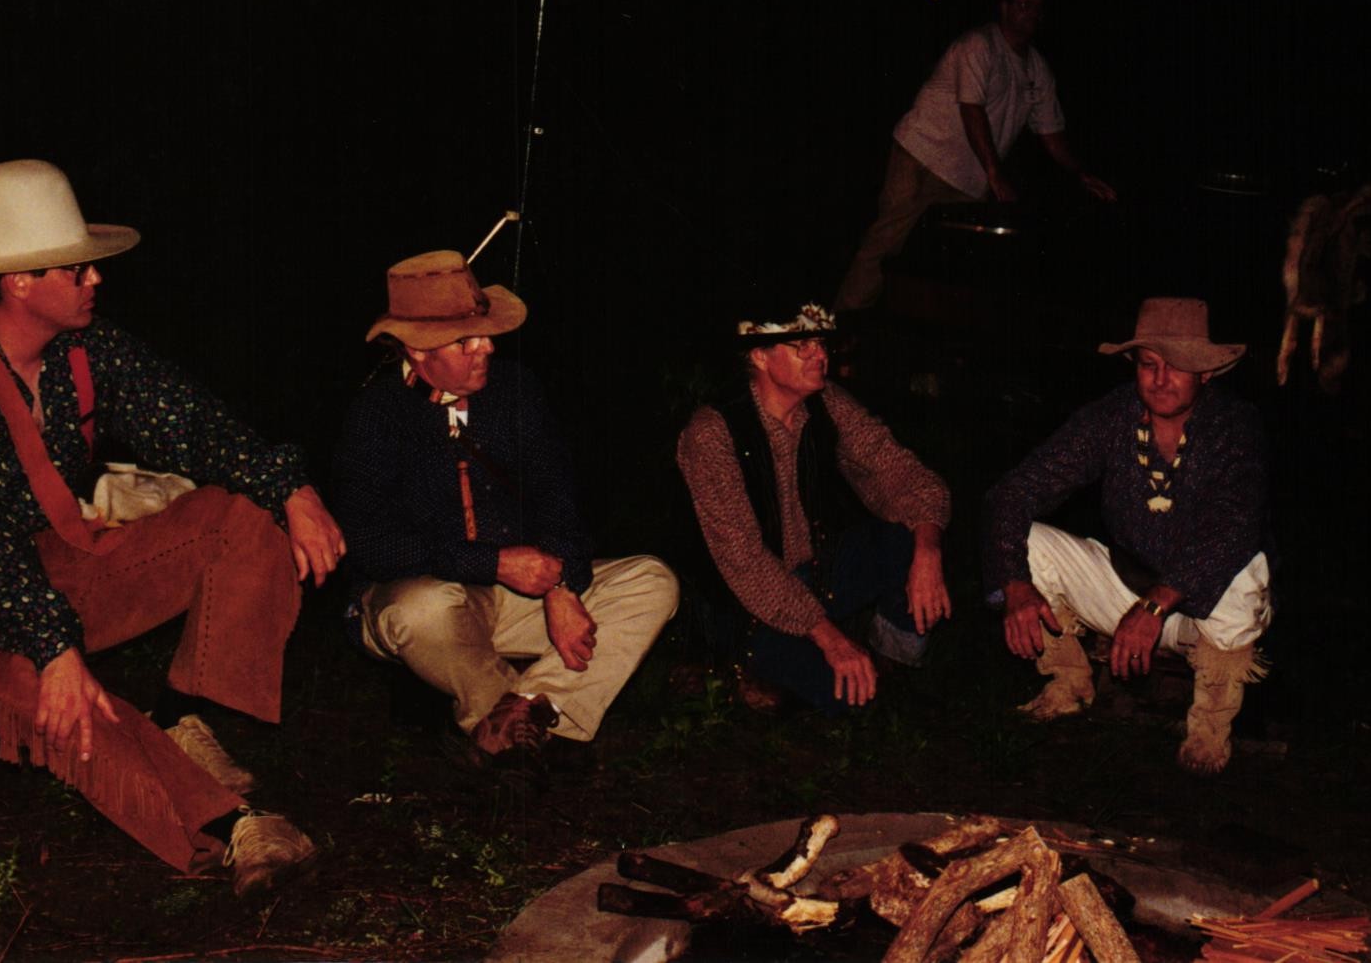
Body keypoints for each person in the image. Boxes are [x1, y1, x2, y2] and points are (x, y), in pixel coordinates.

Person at [0, 159, 341, 895]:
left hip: (51, 566)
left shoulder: (88, 351)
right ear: (19, 282)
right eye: (76, 269)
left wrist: (293, 488)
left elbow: (192, 422)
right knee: (72, 703)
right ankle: (229, 827)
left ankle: (185, 718)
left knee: (242, 514)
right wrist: (54, 651)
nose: (95, 279)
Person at [335, 251, 678, 770]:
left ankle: (514, 718)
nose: (487, 348)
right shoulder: (374, 415)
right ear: (417, 349)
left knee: (652, 581)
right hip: (425, 608)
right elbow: (369, 545)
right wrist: (492, 563)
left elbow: (556, 494)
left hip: (514, 599)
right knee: (421, 607)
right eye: (466, 341)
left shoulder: (516, 389)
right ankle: (522, 728)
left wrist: (561, 585)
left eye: (486, 335)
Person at [985, 297, 1272, 774]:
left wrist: (1155, 606)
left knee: (1245, 573)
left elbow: (1233, 527)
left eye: (1177, 366)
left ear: (1205, 373)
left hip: (1201, 609)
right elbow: (1014, 492)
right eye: (1148, 364)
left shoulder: (1235, 426)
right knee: (1025, 544)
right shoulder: (1111, 418)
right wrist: (1014, 586)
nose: (1160, 379)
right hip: (1125, 588)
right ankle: (1068, 683)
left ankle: (1207, 731)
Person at [675, 301, 952, 712]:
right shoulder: (712, 433)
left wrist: (927, 548)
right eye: (802, 345)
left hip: (818, 575)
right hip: (745, 607)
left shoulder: (827, 404)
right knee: (842, 697)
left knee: (913, 538)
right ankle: (731, 669)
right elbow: (745, 563)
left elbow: (908, 477)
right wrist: (831, 639)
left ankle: (892, 664)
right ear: (760, 356)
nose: (820, 354)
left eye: (821, 342)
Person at [834, 0, 1117, 312]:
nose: (1032, 14)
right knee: (887, 242)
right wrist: (995, 173)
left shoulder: (1037, 70)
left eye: (1038, 8)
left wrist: (1079, 173)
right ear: (1005, 7)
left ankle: (914, 330)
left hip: (967, 177)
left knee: (948, 260)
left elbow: (1050, 132)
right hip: (922, 156)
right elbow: (972, 109)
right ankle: (843, 322)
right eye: (1024, 5)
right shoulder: (978, 45)